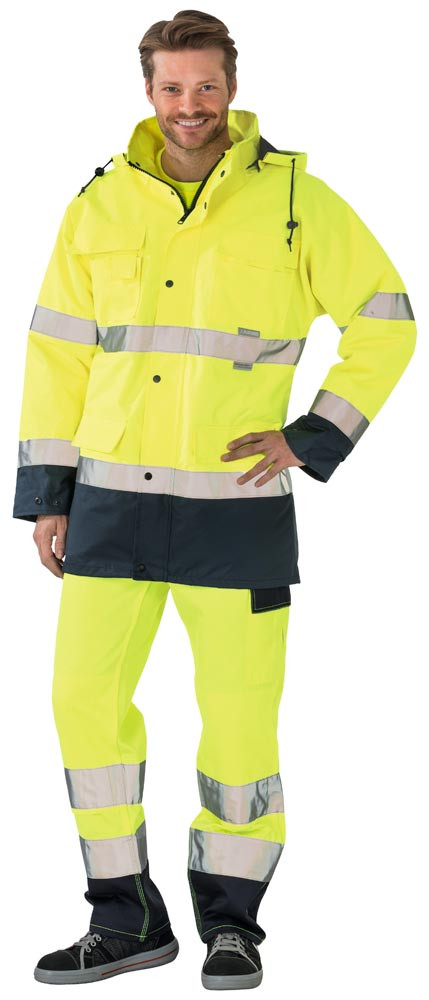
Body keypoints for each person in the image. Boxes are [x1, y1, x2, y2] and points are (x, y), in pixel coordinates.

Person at [12, 8, 417, 991]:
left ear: (231, 87)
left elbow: (386, 318)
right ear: (147, 92)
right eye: (171, 87)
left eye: (204, 85)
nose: (188, 105)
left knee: (238, 723)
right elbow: (58, 350)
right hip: (109, 504)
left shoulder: (295, 200)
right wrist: (48, 494)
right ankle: (124, 919)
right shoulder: (100, 203)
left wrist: (310, 437)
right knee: (81, 705)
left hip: (235, 511)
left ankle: (232, 925)